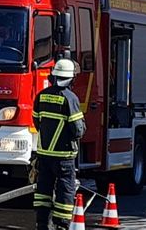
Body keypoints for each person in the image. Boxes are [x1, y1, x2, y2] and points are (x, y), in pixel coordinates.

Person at [32, 59, 86, 230]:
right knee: (65, 191)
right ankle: (61, 225)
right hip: (64, 157)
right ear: (71, 78)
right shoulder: (70, 98)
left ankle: (41, 223)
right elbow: (78, 130)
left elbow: (37, 122)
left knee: (43, 190)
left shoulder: (41, 95)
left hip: (44, 155)